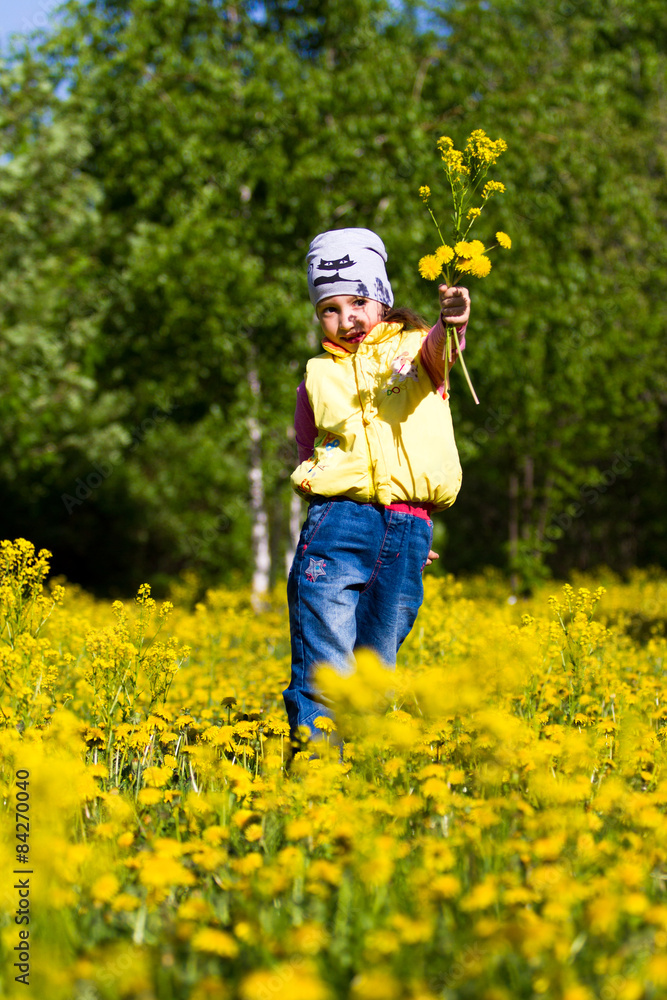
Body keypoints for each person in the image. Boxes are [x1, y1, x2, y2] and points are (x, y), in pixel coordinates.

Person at [283, 227, 470, 750]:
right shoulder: (317, 375)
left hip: (407, 526)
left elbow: (442, 350)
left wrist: (451, 322)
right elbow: (308, 451)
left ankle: (362, 776)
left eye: (359, 302)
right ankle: (317, 774)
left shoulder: (415, 351)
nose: (347, 318)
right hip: (336, 524)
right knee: (325, 663)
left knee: (374, 669)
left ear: (382, 299)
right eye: (330, 309)